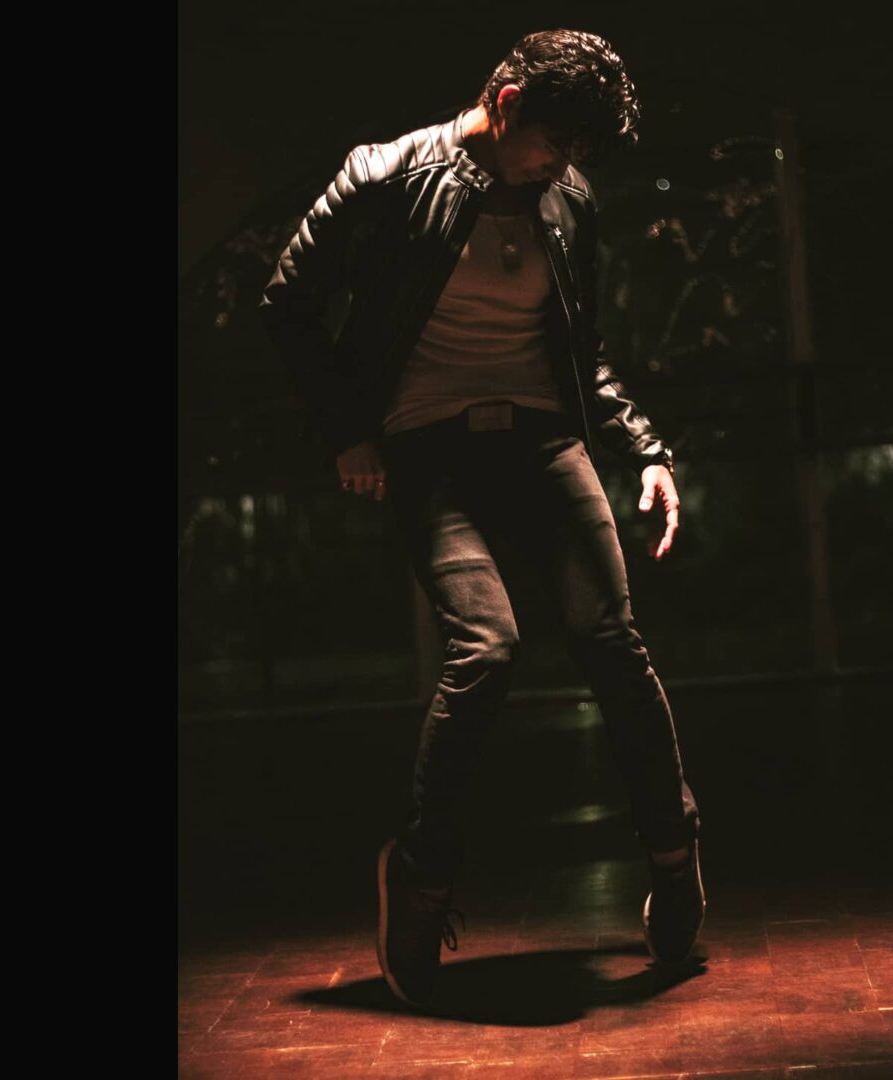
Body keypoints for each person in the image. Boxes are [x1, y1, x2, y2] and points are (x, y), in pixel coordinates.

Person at [258, 29, 704, 1009]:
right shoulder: (384, 177)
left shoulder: (570, 200)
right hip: (429, 447)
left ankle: (675, 863)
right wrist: (348, 432)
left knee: (611, 638)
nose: (564, 164)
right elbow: (287, 301)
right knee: (487, 649)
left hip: (543, 442)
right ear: (504, 105)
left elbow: (583, 350)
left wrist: (648, 450)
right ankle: (422, 875)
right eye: (555, 141)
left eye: (579, 150)